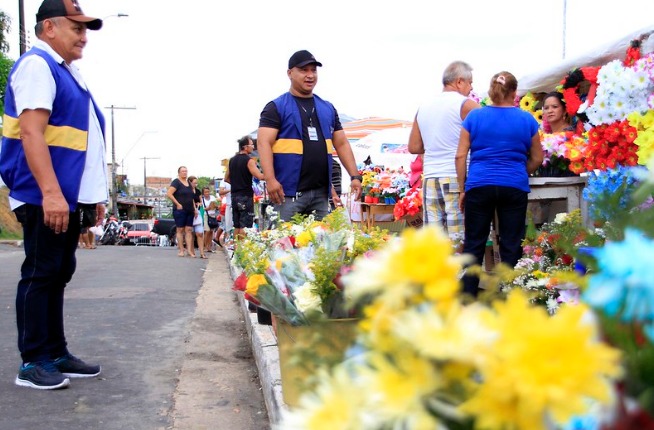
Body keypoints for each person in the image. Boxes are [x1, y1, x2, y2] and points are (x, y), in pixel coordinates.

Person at [0, 0, 105, 390]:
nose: (83, 37)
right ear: (48, 29)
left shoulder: (67, 72)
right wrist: (51, 194)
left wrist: (91, 196)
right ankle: (33, 361)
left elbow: (82, 142)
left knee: (59, 273)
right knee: (41, 273)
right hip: (45, 193)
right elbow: (31, 132)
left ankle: (55, 351)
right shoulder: (37, 66)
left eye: (85, 29)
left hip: (66, 194)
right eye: (76, 28)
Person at [455, 71, 544, 297]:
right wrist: (518, 173)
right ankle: (510, 294)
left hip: (479, 185)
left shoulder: (474, 118)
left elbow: (460, 156)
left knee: (474, 243)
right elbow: (537, 158)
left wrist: (462, 188)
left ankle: (468, 296)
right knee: (511, 242)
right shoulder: (527, 120)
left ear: (491, 92)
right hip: (513, 186)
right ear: (514, 93)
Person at [257, 50, 362, 222]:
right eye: (304, 70)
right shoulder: (276, 107)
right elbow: (263, 143)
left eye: (313, 70)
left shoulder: (327, 108)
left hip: (321, 194)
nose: (310, 75)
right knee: (282, 245)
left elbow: (342, 143)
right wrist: (270, 179)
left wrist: (355, 176)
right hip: (288, 194)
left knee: (325, 246)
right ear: (290, 73)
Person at [408, 60, 480, 241]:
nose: (471, 87)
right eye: (470, 82)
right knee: (458, 237)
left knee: (434, 240)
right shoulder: (466, 105)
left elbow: (414, 147)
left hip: (431, 177)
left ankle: (438, 270)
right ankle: (460, 270)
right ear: (459, 81)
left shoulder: (423, 107)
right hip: (456, 177)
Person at [227, 136, 264, 242]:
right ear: (245, 147)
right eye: (252, 145)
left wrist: (236, 184)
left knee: (237, 225)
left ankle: (236, 248)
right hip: (245, 196)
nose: (253, 147)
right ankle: (243, 248)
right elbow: (260, 176)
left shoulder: (232, 160)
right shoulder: (249, 161)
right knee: (245, 225)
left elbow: (226, 178)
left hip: (234, 196)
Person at [166, 166, 195, 257]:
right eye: (183, 171)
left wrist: (194, 209)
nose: (184, 173)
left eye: (186, 171)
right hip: (180, 210)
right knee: (180, 229)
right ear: (179, 173)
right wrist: (177, 204)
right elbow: (169, 194)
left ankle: (189, 250)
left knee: (189, 230)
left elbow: (192, 197)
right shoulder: (176, 182)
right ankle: (181, 250)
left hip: (190, 209)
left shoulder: (188, 183)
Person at [189, 176, 206, 259]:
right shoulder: (187, 191)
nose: (195, 184)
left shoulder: (198, 191)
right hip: (190, 212)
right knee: (191, 233)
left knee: (199, 233)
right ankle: (191, 251)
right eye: (194, 183)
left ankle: (202, 253)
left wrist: (199, 204)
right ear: (190, 182)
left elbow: (201, 201)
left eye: (196, 183)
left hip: (198, 212)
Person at [200, 186, 218, 253]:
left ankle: (209, 246)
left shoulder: (212, 198)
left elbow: (216, 205)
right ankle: (204, 246)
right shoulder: (202, 199)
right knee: (207, 231)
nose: (207, 193)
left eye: (208, 192)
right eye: (205, 192)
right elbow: (201, 208)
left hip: (212, 215)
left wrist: (215, 206)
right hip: (206, 215)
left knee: (211, 231)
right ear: (203, 193)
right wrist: (207, 208)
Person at [216, 174, 232, 247]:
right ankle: (226, 240)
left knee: (225, 226)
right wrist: (230, 190)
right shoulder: (224, 181)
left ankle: (227, 240)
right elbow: (221, 192)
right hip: (228, 206)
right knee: (226, 226)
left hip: (237, 203)